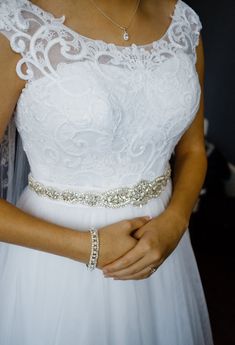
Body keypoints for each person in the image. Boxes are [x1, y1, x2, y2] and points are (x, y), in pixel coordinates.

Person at [0, 0, 214, 344]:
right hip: (56, 263)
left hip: (161, 249)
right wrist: (90, 247)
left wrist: (176, 220)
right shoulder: (18, 24)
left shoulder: (182, 21)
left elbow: (192, 151)